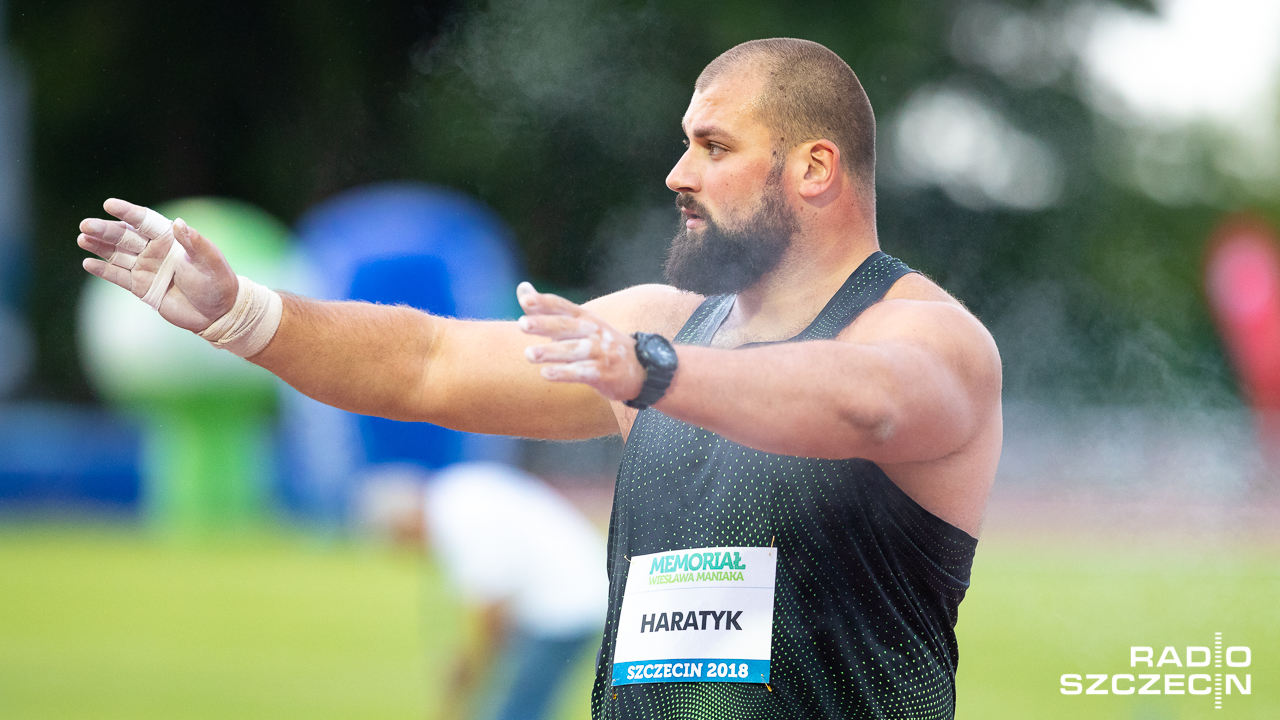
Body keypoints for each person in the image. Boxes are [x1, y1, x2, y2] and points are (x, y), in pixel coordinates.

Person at [77, 37, 1002, 720]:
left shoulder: (924, 334)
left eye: (714, 148)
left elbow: (866, 404)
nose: (678, 173)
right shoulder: (661, 327)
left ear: (813, 167)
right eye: (686, 143)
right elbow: (426, 363)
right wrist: (243, 313)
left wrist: (656, 374)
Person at [359, 461, 608, 720]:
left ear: (404, 518)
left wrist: (468, 668)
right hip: (571, 590)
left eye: (398, 538)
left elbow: (493, 614)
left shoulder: (457, 518)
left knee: (518, 711)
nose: (408, 550)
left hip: (566, 604)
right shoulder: (456, 491)